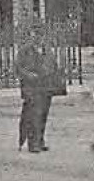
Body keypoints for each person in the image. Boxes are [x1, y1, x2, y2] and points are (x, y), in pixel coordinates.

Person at [15, 23, 64, 153]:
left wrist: (55, 79)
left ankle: (40, 140)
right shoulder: (25, 50)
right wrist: (28, 75)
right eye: (35, 35)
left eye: (41, 35)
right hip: (31, 87)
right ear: (31, 36)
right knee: (33, 115)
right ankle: (33, 144)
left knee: (43, 115)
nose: (38, 38)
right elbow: (19, 68)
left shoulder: (47, 50)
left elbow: (53, 65)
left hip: (46, 86)